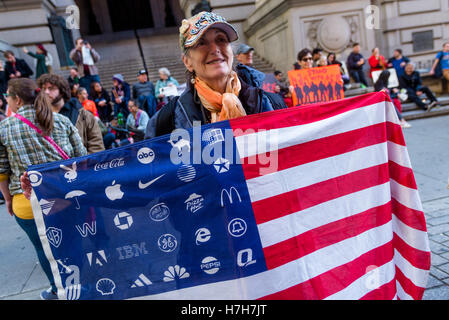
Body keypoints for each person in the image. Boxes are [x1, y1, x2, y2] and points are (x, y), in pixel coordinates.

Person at [0, 78, 87, 300]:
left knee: (44, 250)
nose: (6, 100)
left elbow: (2, 171)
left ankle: (60, 291)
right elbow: (83, 159)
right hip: (67, 198)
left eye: (7, 96)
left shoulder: (4, 129)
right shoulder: (61, 121)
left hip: (28, 203)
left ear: (17, 100)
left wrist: (8, 199)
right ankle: (85, 284)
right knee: (73, 244)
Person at [145, 11, 283, 139]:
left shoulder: (272, 103)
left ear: (232, 52)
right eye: (201, 43)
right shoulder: (165, 123)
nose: (215, 49)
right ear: (187, 62)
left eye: (221, 39)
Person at [37, 74, 105, 154]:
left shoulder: (83, 114)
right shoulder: (40, 116)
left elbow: (96, 146)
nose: (46, 92)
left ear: (62, 91)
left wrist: (85, 163)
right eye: (44, 89)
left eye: (51, 88)